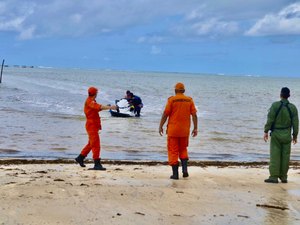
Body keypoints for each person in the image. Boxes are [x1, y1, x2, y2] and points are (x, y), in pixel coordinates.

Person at [159, 82, 198, 179]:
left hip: (173, 130)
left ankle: (175, 174)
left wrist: (160, 126)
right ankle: (185, 170)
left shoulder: (172, 100)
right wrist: (195, 128)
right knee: (183, 149)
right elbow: (194, 115)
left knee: (173, 151)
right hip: (185, 131)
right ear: (184, 91)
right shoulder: (189, 100)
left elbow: (165, 114)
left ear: (175, 90)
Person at [75, 87, 117, 170]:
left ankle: (80, 158)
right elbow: (99, 107)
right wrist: (110, 107)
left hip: (93, 125)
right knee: (96, 145)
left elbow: (96, 109)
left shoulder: (92, 101)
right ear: (95, 93)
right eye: (97, 92)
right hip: (91, 125)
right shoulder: (90, 101)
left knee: (91, 144)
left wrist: (107, 107)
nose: (97, 93)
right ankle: (97, 164)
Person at [263, 87, 298, 183]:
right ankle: (284, 177)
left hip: (276, 134)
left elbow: (270, 120)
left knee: (275, 155)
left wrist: (266, 131)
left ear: (280, 94)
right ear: (289, 96)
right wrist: (295, 136)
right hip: (287, 135)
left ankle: (274, 177)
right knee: (286, 156)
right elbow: (296, 123)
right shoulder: (293, 108)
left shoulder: (275, 105)